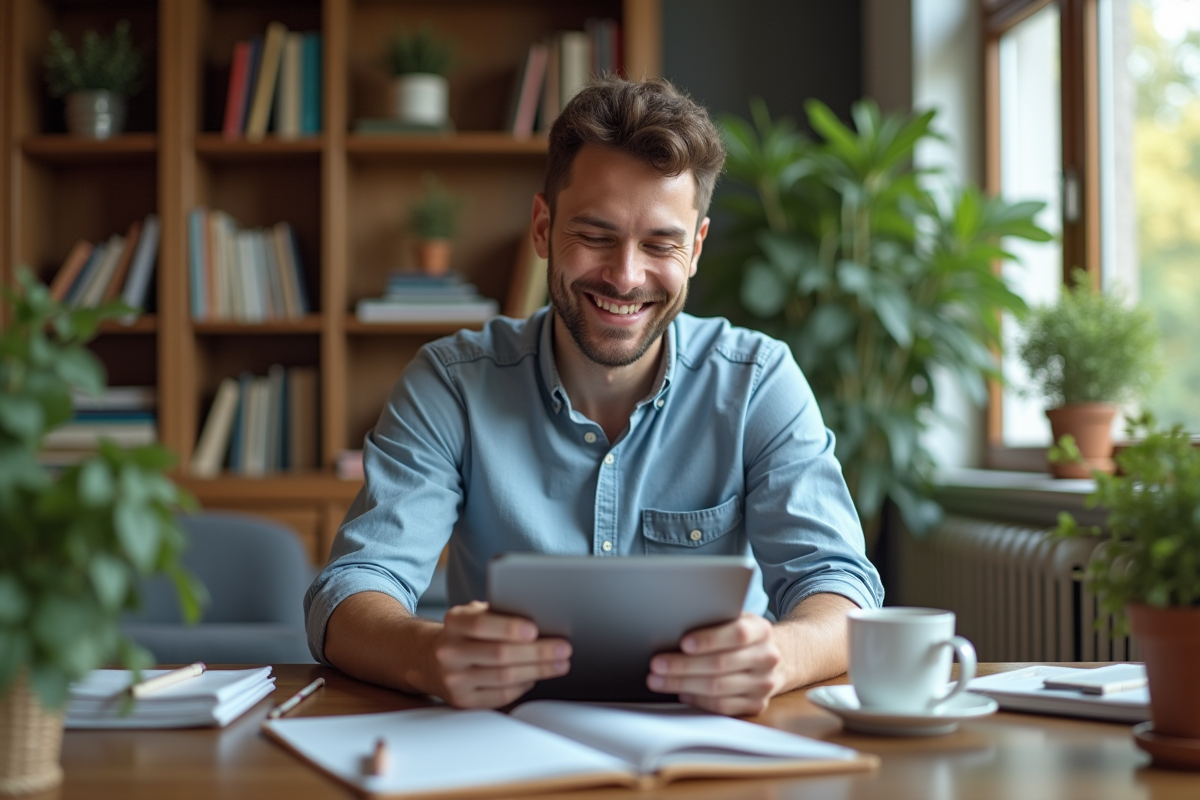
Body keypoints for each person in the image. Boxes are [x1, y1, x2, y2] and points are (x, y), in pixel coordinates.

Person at [305, 76, 883, 716]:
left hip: (711, 742)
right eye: (596, 235)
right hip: (503, 745)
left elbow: (838, 584)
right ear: (543, 228)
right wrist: (427, 655)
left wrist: (780, 656)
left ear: (694, 250)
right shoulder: (451, 381)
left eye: (660, 243)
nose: (626, 277)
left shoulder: (758, 380)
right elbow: (352, 590)